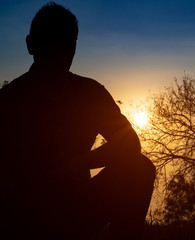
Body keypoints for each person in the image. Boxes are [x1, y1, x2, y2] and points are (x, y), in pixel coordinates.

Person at [0, 2, 155, 240]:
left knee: (140, 168)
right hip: (24, 215)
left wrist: (75, 165)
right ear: (32, 45)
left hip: (71, 208)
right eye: (53, 43)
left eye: (65, 45)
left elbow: (130, 144)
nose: (61, 53)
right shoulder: (10, 99)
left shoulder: (87, 93)